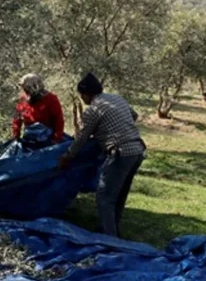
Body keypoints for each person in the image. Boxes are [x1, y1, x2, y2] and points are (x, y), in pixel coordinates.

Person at [59, 72, 146, 238]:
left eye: (82, 95)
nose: (82, 99)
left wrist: (67, 157)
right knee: (119, 194)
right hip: (137, 150)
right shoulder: (116, 99)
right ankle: (113, 229)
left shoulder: (93, 110)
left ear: (86, 94)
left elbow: (81, 139)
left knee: (104, 195)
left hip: (120, 153)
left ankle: (109, 237)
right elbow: (134, 116)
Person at [12, 74, 65, 148]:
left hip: (49, 140)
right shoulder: (22, 99)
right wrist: (16, 136)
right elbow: (16, 119)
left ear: (34, 87)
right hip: (29, 140)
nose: (25, 91)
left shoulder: (51, 99)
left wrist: (56, 140)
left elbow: (59, 120)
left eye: (26, 89)